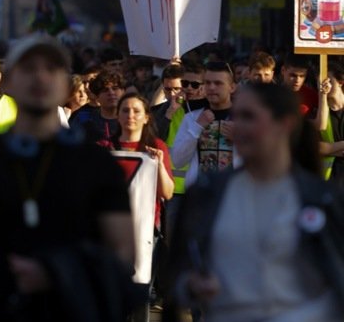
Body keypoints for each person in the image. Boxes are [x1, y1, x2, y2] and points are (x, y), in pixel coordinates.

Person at [0, 34, 137, 322]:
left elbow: (124, 252)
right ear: (10, 82)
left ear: (65, 84)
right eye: (28, 68)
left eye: (51, 69)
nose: (40, 76)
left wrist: (58, 272)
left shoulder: (97, 165)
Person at [166, 82, 344, 321]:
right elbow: (177, 278)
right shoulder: (207, 193)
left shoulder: (319, 199)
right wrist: (191, 285)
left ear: (285, 124)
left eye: (249, 117)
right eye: (236, 116)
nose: (238, 126)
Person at [171, 62, 239, 188]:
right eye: (207, 83)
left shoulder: (245, 118)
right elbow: (177, 160)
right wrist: (197, 127)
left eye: (218, 83)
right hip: (200, 196)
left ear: (232, 87)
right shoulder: (191, 117)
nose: (212, 87)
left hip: (234, 195)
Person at [69, 70, 123, 148]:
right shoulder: (83, 119)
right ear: (97, 97)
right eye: (105, 90)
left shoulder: (131, 119)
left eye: (115, 88)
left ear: (123, 91)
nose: (111, 93)